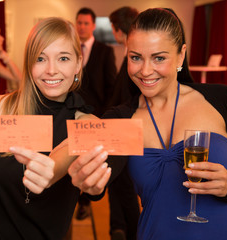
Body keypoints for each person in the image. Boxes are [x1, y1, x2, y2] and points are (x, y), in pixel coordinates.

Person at [69, 8, 227, 239]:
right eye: (135, 58)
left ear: (181, 55)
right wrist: (91, 186)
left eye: (159, 58)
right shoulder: (122, 118)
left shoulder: (221, 100)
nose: (145, 71)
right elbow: (98, 176)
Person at [0, 17, 105, 240]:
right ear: (29, 64)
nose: (51, 70)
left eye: (63, 58)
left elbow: (93, 183)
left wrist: (95, 187)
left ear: (78, 63)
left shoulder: (86, 125)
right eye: (40, 58)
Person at [75, 7, 117, 220]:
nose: (81, 27)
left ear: (92, 26)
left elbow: (111, 86)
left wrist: (104, 117)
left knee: (90, 160)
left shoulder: (104, 50)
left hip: (96, 115)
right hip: (71, 114)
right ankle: (72, 198)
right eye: (79, 23)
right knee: (72, 156)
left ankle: (85, 201)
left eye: (85, 23)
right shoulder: (70, 48)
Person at [107, 6, 140, 240]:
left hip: (128, 131)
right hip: (122, 130)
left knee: (127, 190)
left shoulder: (134, 55)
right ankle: (119, 228)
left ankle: (134, 233)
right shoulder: (129, 52)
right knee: (120, 186)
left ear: (118, 30)